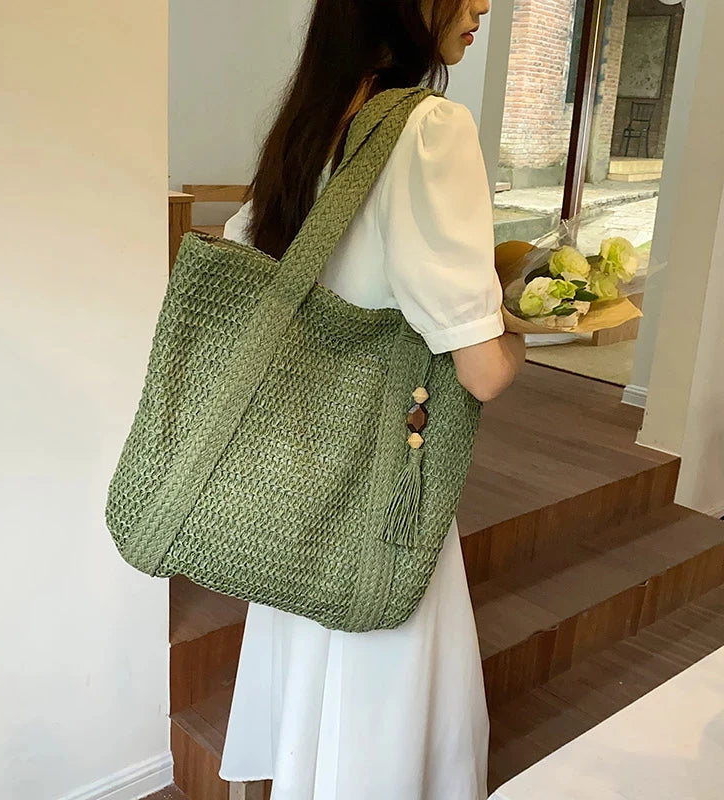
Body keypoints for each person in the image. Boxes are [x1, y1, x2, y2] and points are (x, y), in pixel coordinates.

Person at [218, 1, 525, 797]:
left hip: (299, 479)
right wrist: (519, 333)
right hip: (387, 481)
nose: (483, 4)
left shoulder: (307, 130)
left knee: (315, 670)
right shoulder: (428, 129)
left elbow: (253, 263)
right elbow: (483, 372)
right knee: (379, 689)